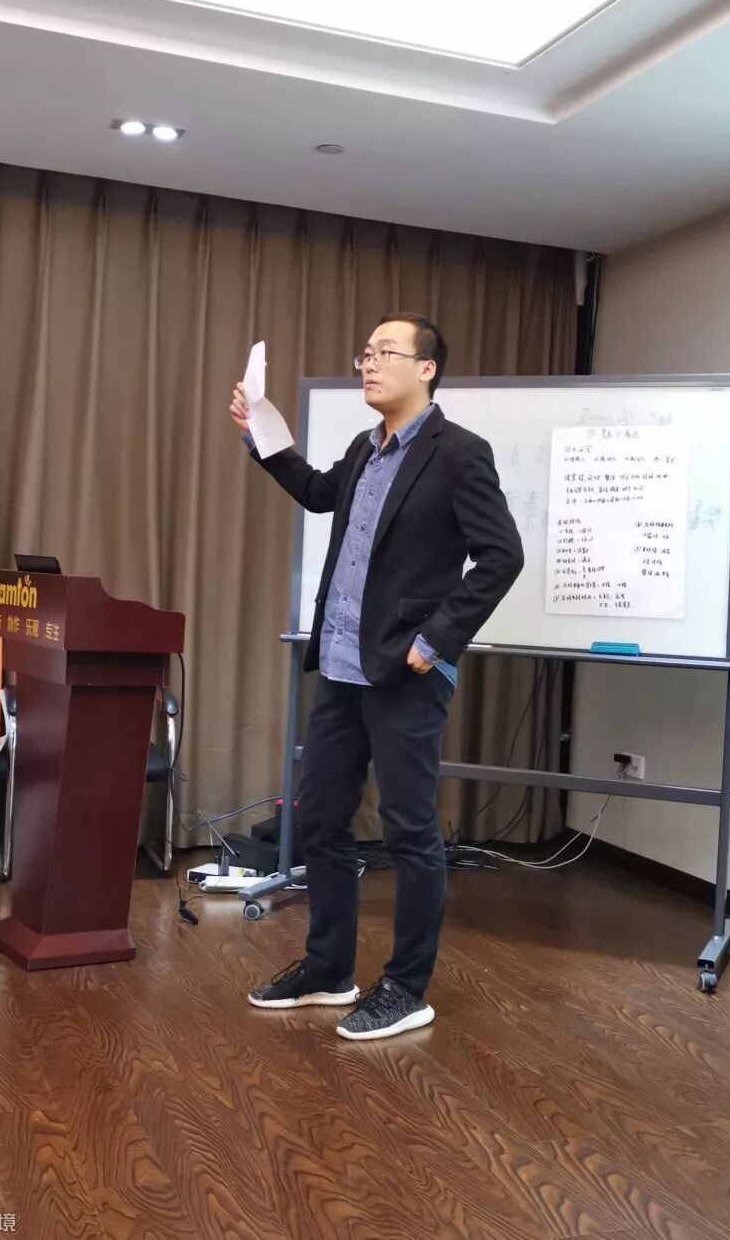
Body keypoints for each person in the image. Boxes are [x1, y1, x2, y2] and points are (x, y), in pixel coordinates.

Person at [230, 313, 523, 1040]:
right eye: (365, 352)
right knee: (322, 820)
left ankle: (406, 987)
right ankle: (329, 968)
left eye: (385, 352)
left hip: (406, 670)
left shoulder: (460, 453)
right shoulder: (366, 448)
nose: (368, 363)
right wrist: (263, 434)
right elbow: (318, 491)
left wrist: (438, 637)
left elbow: (502, 555)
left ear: (426, 368)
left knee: (409, 828)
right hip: (340, 662)